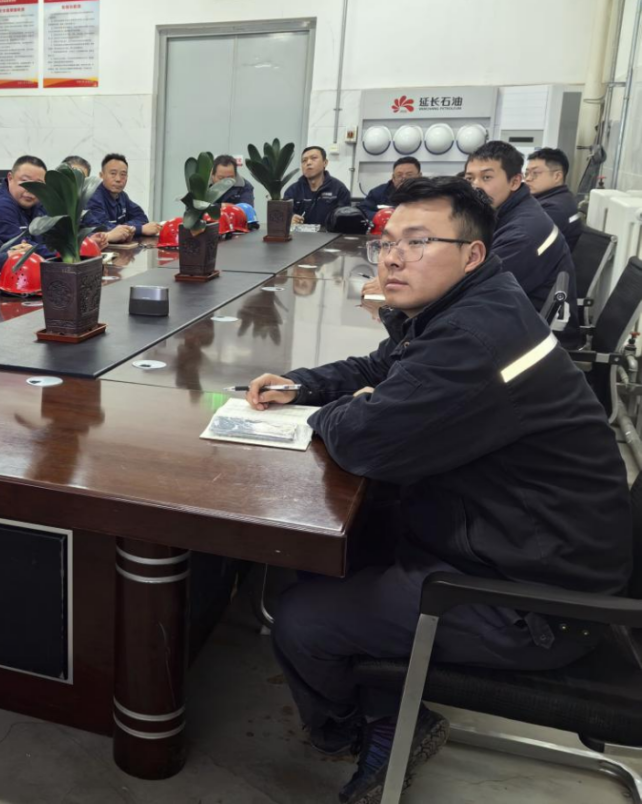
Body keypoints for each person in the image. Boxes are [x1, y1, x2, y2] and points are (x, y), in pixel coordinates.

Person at [248, 175, 629, 804]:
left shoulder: (475, 337)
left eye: (419, 242)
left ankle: (357, 732)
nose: (394, 258)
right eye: (388, 242)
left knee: (303, 620)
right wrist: (304, 385)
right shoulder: (471, 305)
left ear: (472, 254)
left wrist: (340, 411)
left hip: (534, 601)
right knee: (332, 551)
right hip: (509, 540)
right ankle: (385, 707)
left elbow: (367, 442)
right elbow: (381, 370)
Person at [464, 140, 577, 317]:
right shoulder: (508, 211)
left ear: (515, 182)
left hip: (530, 327)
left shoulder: (523, 235)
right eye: (470, 178)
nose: (475, 186)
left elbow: (474, 291)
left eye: (486, 177)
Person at [0, 155, 54, 257]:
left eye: (38, 184)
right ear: (10, 178)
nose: (31, 189)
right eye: (25, 181)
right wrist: (63, 252)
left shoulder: (41, 205)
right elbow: (22, 250)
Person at [82, 154, 157, 240]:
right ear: (101, 175)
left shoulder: (122, 196)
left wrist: (124, 228)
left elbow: (141, 218)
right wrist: (139, 229)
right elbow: (100, 229)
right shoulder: (93, 196)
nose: (118, 179)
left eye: (123, 174)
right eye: (113, 173)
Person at [525, 147, 582, 251]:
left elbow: (522, 244)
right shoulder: (562, 198)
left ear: (557, 176)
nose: (528, 179)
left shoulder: (553, 209)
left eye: (535, 173)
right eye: (526, 173)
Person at [283, 145, 351, 226]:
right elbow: (283, 215)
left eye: (314, 158)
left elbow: (345, 220)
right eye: (304, 160)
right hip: (300, 233)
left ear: (325, 163)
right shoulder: (293, 190)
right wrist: (290, 218)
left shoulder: (339, 189)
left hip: (329, 233)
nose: (308, 163)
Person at [359, 156, 421, 221]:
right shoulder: (379, 192)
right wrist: (382, 216)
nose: (404, 179)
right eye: (399, 175)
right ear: (393, 178)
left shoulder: (426, 193)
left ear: (419, 176)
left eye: (409, 175)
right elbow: (363, 210)